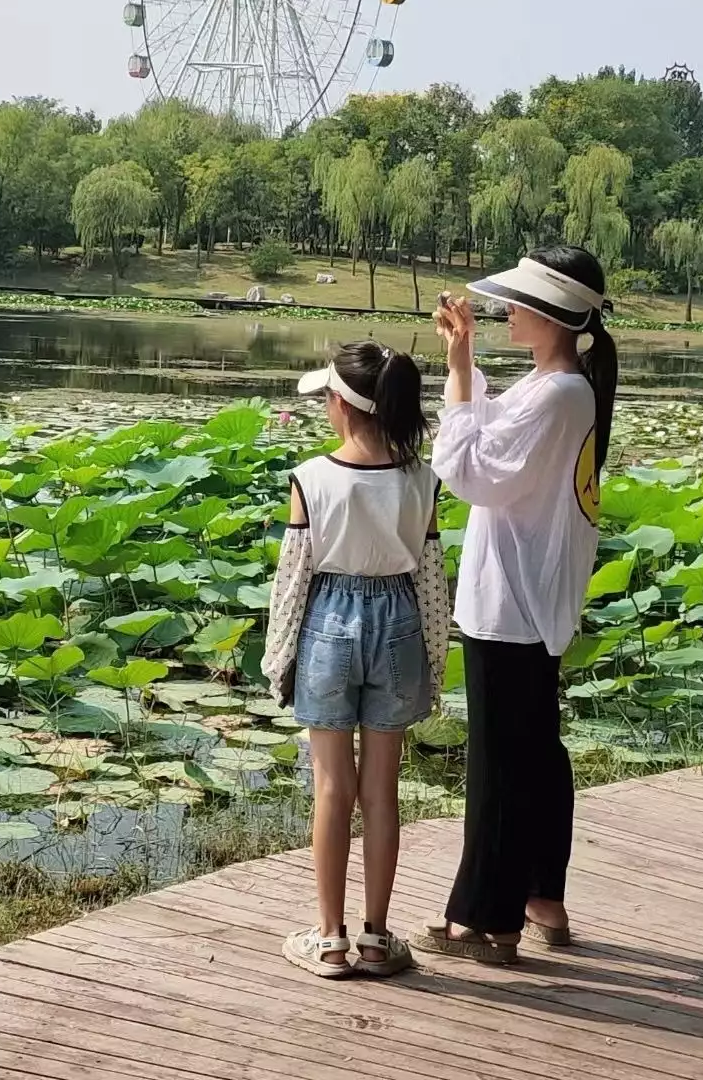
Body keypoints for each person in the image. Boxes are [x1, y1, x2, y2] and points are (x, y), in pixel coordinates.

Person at [412, 245, 616, 966]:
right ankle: (539, 896)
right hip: (527, 599)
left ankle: (484, 919)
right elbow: (487, 430)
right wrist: (462, 360)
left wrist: (461, 368)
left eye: (520, 301)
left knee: (500, 766)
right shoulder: (555, 385)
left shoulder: (561, 393)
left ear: (555, 313)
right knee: (534, 756)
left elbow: (470, 470)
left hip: (513, 602)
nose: (507, 309)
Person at [263, 342, 449, 978]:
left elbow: (293, 578)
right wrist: (435, 662)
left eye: (327, 397)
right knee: (382, 789)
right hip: (399, 624)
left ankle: (329, 939)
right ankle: (375, 936)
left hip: (330, 625)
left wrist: (279, 655)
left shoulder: (310, 479)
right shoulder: (423, 479)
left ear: (341, 404)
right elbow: (430, 580)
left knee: (331, 787)